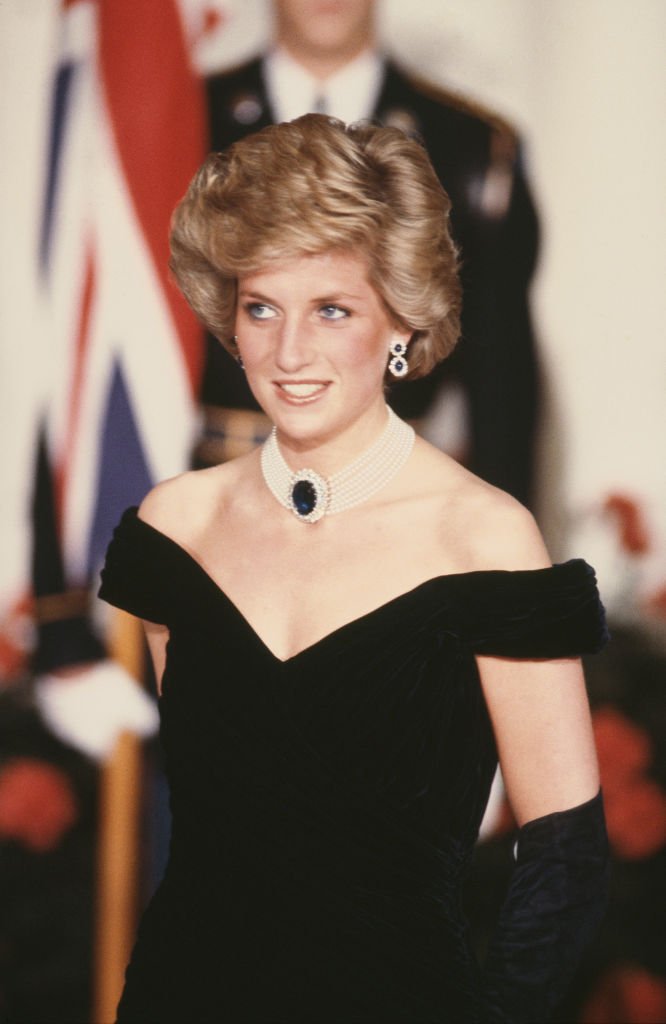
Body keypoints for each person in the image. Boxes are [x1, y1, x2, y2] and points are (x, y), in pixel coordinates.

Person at [99, 115, 608, 1023]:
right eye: (262, 307)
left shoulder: (484, 539)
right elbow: (226, 828)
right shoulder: (176, 528)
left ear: (402, 322)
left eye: (331, 309)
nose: (290, 353)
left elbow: (564, 861)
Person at [203, 0, 539, 506]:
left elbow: (502, 384)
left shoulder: (468, 145)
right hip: (217, 493)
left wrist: (501, 564)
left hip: (397, 503)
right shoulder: (183, 121)